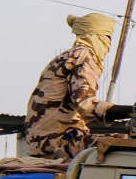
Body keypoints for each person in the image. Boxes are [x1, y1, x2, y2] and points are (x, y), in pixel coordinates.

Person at [23, 13, 118, 159]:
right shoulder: (83, 55)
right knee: (125, 142)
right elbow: (86, 105)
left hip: (44, 140)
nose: (109, 45)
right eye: (107, 38)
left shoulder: (68, 56)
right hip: (56, 142)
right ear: (96, 36)